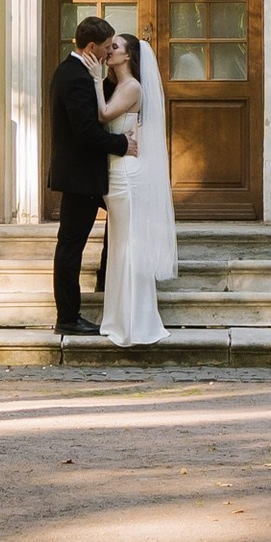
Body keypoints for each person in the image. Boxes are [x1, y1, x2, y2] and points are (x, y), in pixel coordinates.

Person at [97, 26, 177, 346]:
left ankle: (135, 323)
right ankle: (119, 318)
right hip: (117, 173)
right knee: (120, 247)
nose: (109, 51)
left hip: (127, 176)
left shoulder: (131, 87)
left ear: (128, 55)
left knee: (129, 246)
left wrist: (93, 78)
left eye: (114, 47)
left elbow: (104, 115)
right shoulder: (120, 85)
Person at [46, 13, 116, 336]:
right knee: (70, 247)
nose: (109, 52)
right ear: (90, 47)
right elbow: (86, 133)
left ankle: (105, 277)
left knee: (117, 219)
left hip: (82, 176)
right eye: (106, 47)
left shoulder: (74, 72)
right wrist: (122, 144)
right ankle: (68, 317)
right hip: (80, 178)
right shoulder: (75, 78)